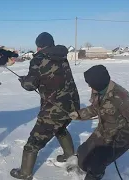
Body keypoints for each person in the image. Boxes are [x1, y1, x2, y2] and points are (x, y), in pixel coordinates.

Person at [10, 32, 80, 180]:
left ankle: (25, 173)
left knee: (33, 142)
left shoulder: (39, 59)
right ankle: (69, 155)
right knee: (60, 127)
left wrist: (24, 81)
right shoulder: (62, 56)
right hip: (72, 105)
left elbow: (30, 84)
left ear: (39, 46)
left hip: (54, 108)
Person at [68, 65, 129, 180]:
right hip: (102, 131)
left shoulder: (121, 97)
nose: (89, 85)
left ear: (99, 82)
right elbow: (96, 108)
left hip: (117, 138)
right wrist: (79, 114)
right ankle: (83, 169)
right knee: (83, 152)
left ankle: (95, 175)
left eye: (90, 83)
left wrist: (118, 142)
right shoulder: (97, 90)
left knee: (97, 164)